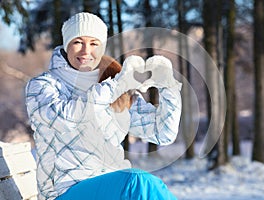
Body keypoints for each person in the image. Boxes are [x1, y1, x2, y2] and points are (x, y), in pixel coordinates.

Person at [25, 12, 182, 200]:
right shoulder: (43, 86)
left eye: (93, 43)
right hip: (63, 191)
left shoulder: (112, 84)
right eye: (78, 42)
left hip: (112, 187)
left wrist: (168, 88)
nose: (85, 51)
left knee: (146, 185)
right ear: (67, 45)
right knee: (138, 183)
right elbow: (65, 120)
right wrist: (117, 85)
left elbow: (163, 132)